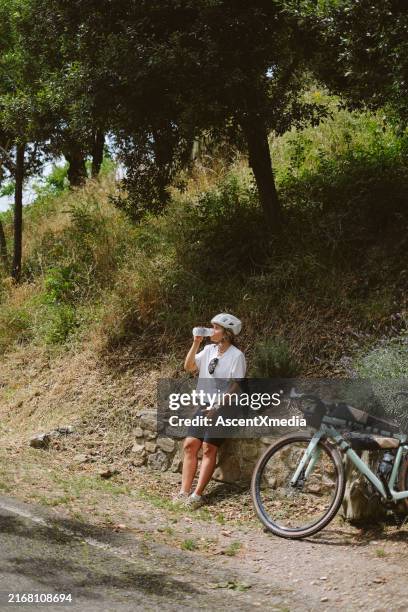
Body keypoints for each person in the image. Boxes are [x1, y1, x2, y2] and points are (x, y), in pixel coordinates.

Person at [175, 313, 246, 508]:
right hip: (205, 405)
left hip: (225, 408)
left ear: (227, 333)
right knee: (190, 445)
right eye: (211, 326)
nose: (210, 331)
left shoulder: (236, 356)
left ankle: (197, 496)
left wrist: (217, 407)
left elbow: (236, 386)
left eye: (215, 328)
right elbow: (189, 367)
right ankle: (183, 492)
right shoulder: (208, 350)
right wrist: (196, 343)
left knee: (208, 448)